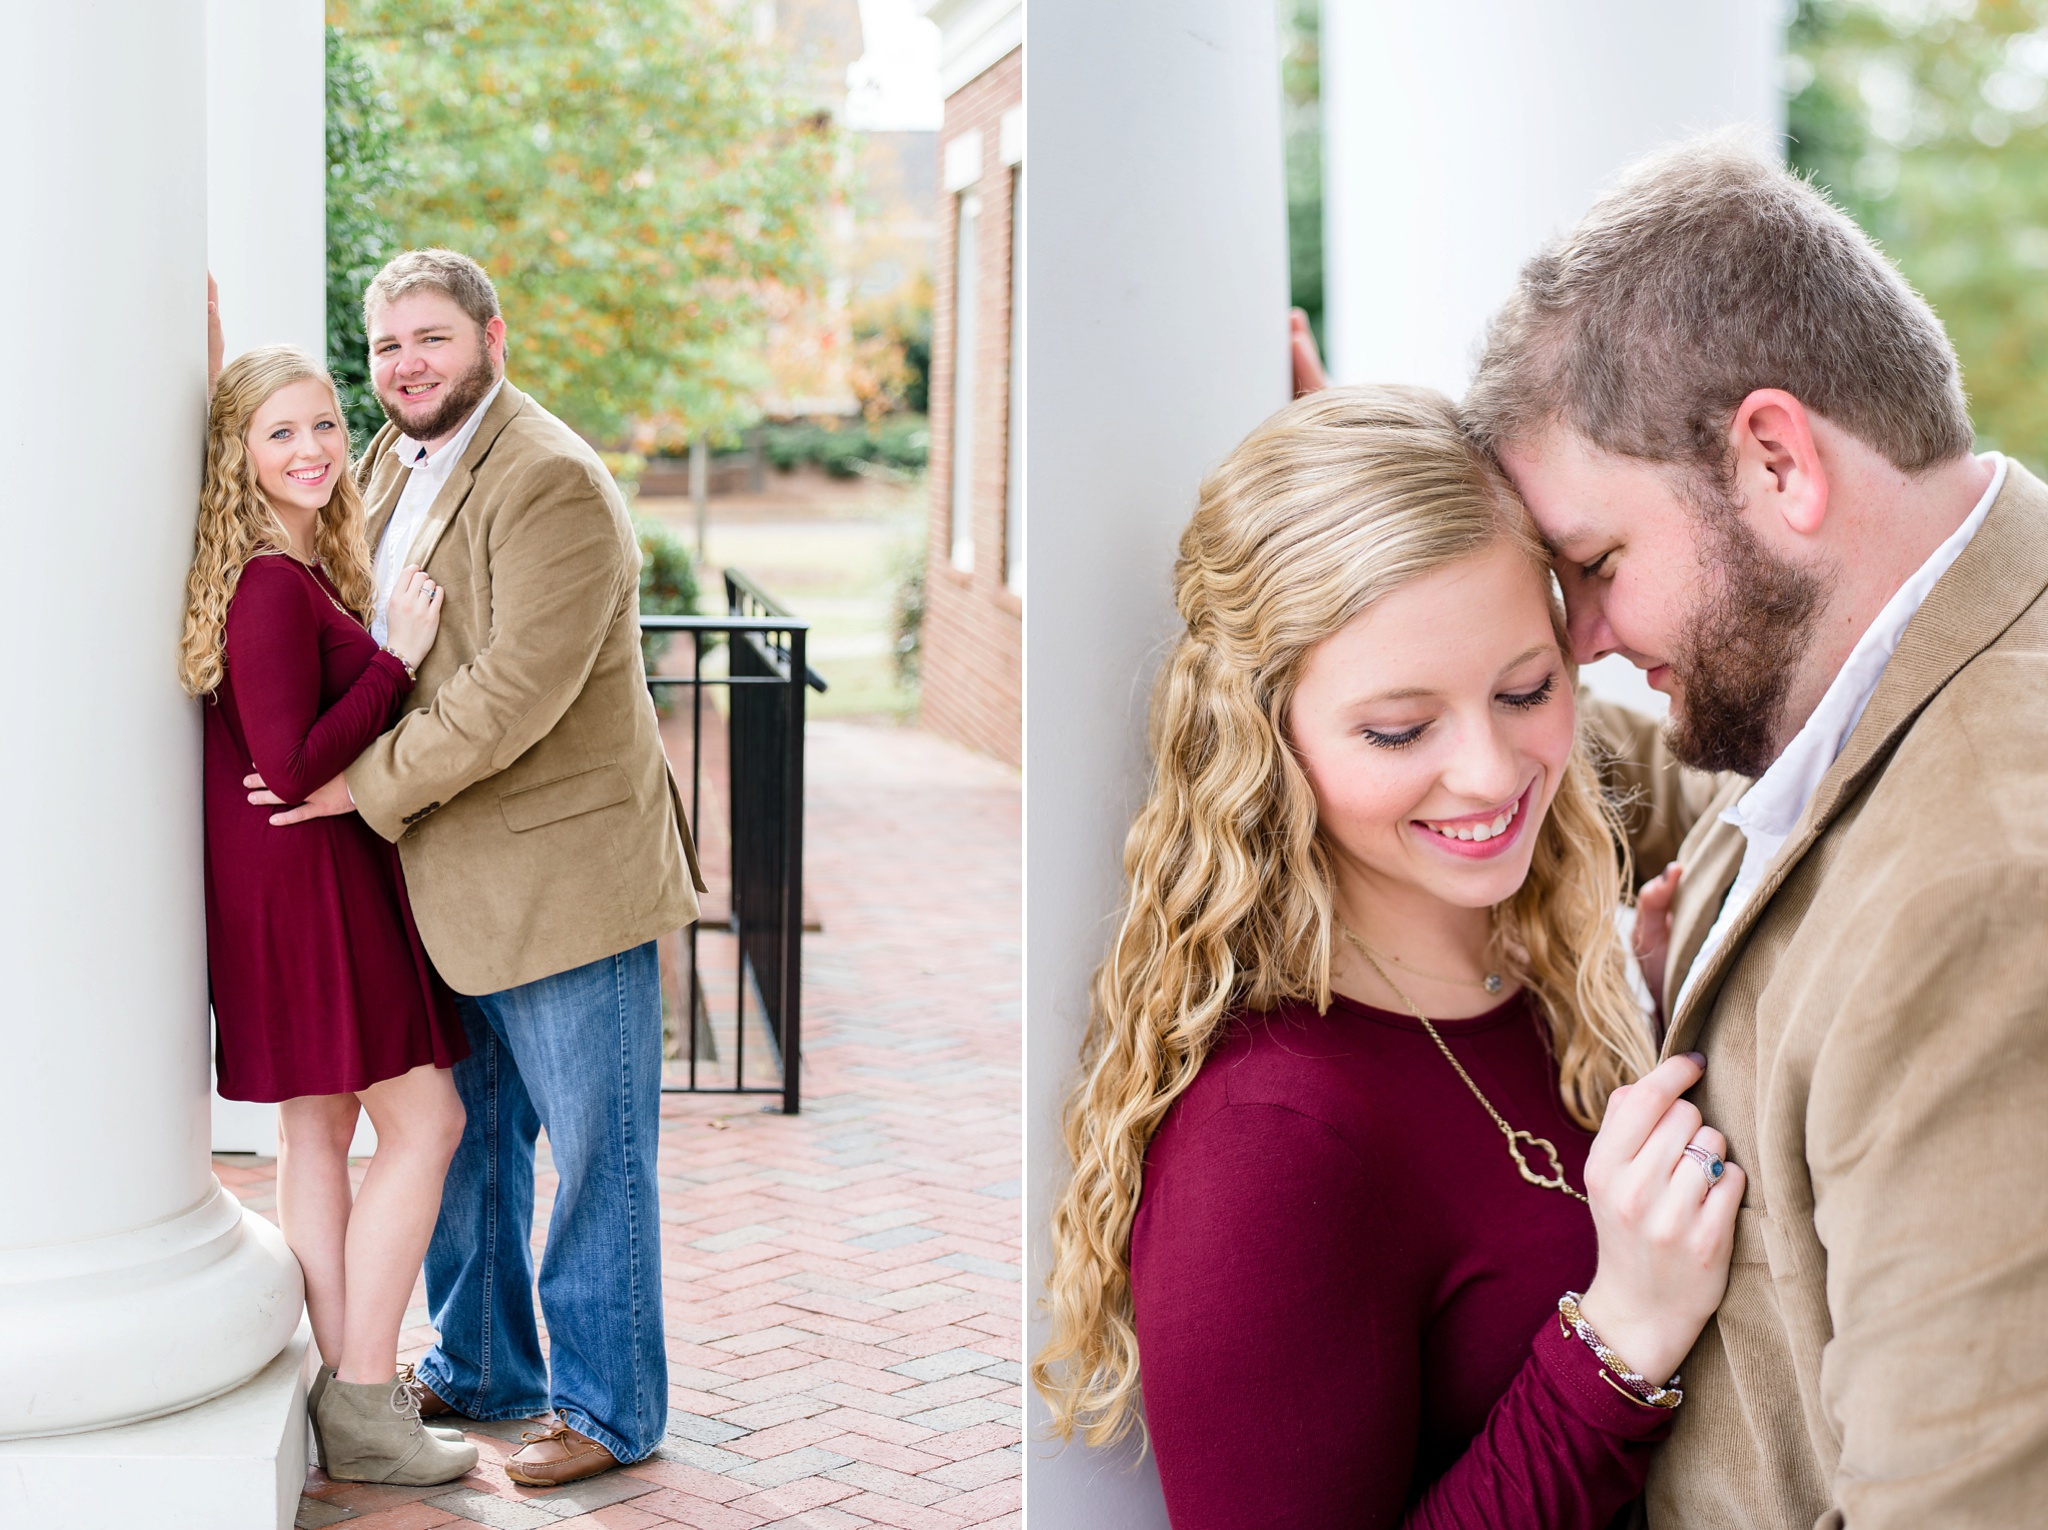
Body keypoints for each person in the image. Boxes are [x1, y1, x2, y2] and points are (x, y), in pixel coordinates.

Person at [1461, 136, 2048, 1527]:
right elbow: (1678, 788)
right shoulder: (1880, 659)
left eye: (1596, 566)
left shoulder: (1983, 899)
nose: (1585, 639)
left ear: (1776, 458)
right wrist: (1385, 575)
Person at [1034, 384, 1745, 1528]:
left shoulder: (1548, 970)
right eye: (1397, 730)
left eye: (1525, 689)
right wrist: (1619, 1339)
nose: (1488, 771)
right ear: (1263, 740)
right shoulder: (1270, 1141)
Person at [246, 250, 705, 1486]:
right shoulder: (393, 463)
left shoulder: (547, 478)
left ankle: (608, 1413)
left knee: (593, 1158)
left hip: (564, 884)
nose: (406, 364)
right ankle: (480, 1365)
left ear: (493, 337)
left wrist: (355, 787)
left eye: (431, 339)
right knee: (471, 1148)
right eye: (387, 345)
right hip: (442, 885)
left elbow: (512, 693)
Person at [183, 345, 478, 1487]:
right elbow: (292, 761)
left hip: (297, 880)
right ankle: (363, 1391)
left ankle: (345, 1390)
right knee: (427, 1125)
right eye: (278, 434)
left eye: (320, 426)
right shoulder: (267, 580)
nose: (309, 450)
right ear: (238, 459)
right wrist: (395, 660)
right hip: (305, 888)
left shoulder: (295, 568)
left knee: (316, 1135)